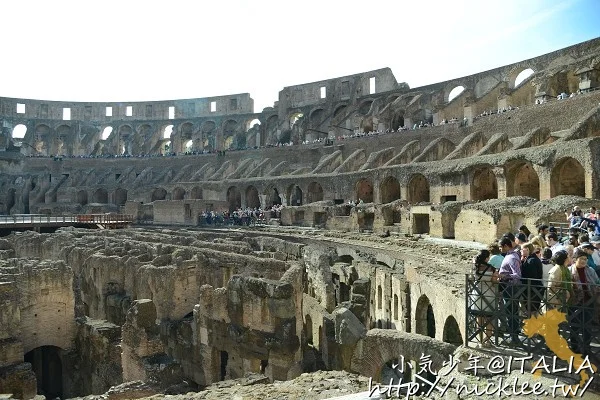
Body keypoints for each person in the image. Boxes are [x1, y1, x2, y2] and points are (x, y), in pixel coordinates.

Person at [568, 248, 600, 354]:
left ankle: (586, 347)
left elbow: (596, 281)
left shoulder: (590, 270)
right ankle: (575, 347)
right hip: (575, 303)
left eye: (585, 259)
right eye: (581, 259)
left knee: (587, 327)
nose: (583, 261)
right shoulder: (569, 271)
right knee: (575, 326)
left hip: (589, 301)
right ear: (575, 259)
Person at [469, 250, 499, 347]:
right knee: (489, 318)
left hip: (477, 294)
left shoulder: (475, 268)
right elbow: (494, 282)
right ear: (486, 258)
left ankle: (480, 340)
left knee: (479, 318)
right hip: (489, 294)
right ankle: (488, 340)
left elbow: (470, 278)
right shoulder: (491, 269)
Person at [498, 236, 522, 345]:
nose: (500, 249)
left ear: (506, 246)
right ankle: (513, 337)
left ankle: (514, 338)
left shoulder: (512, 257)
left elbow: (517, 275)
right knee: (511, 312)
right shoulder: (510, 255)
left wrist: (504, 276)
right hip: (509, 288)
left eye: (501, 247)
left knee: (511, 313)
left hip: (511, 288)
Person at [520, 242, 544, 315]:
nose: (521, 251)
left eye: (522, 250)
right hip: (533, 290)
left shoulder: (531, 260)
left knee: (531, 312)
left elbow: (531, 276)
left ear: (527, 249)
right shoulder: (532, 259)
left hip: (532, 290)